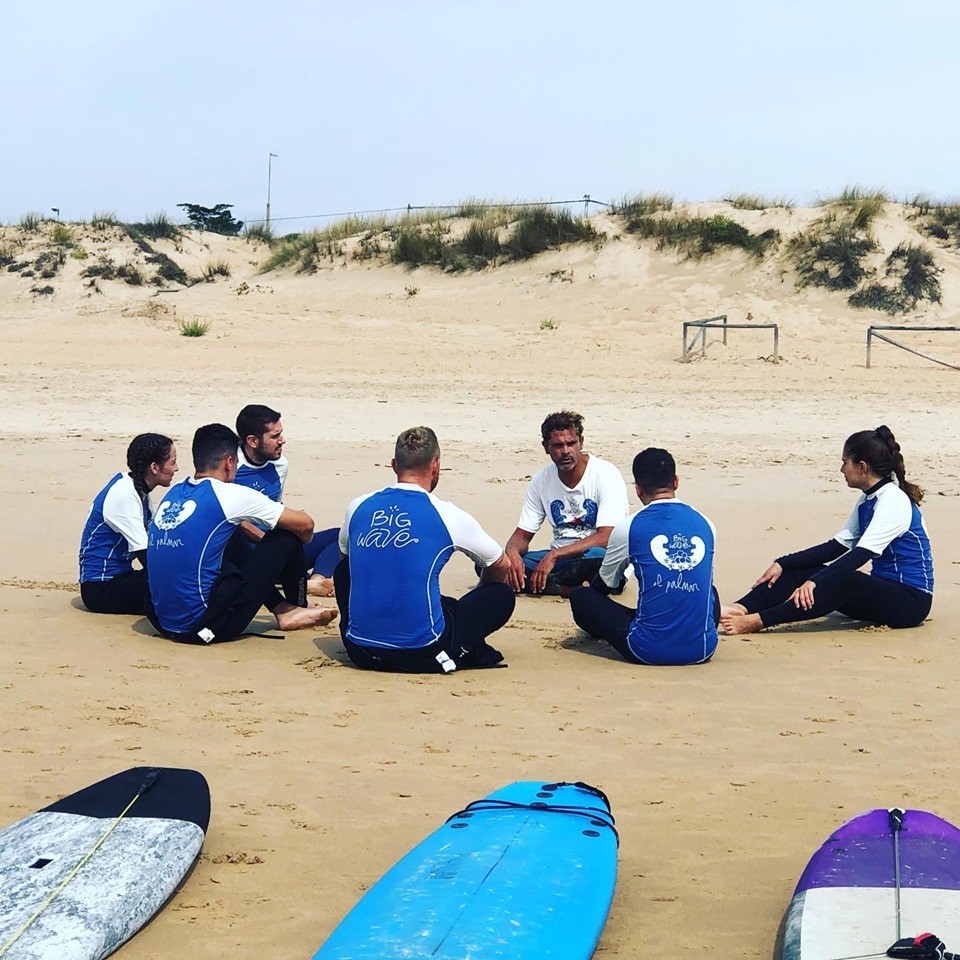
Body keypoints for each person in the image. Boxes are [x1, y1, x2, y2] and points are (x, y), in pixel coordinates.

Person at [334, 426, 515, 673]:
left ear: (395, 465)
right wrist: (482, 593)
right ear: (435, 466)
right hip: (423, 652)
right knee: (501, 595)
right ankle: (458, 648)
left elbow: (346, 558)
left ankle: (369, 632)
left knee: (346, 569)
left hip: (360, 651)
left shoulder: (358, 505)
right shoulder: (447, 514)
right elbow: (500, 564)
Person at [720, 425, 934, 635]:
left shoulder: (893, 500)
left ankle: (759, 621)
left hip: (911, 603)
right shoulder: (867, 500)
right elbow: (835, 547)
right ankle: (738, 609)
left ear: (862, 466)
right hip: (881, 594)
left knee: (844, 579)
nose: (841, 470)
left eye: (844, 463)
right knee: (796, 571)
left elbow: (860, 555)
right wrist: (783, 563)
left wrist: (815, 581)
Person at [145, 423, 336, 644]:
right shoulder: (229, 494)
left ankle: (281, 606)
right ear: (229, 462)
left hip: (160, 621)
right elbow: (305, 525)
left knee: (231, 533)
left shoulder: (176, 491)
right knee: (286, 536)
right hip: (205, 630)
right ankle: (296, 607)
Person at [570, 448, 719, 665]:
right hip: (703, 649)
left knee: (581, 597)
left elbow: (604, 585)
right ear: (676, 481)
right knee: (709, 590)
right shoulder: (706, 524)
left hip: (647, 649)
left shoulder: (628, 527)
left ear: (638, 489)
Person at [503, 411, 628, 596]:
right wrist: (512, 554)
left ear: (581, 442)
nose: (566, 451)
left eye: (571, 443)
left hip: (595, 556)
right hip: (561, 560)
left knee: (598, 559)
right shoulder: (541, 480)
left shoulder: (606, 474)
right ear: (546, 447)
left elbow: (607, 537)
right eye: (558, 446)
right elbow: (521, 536)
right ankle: (565, 588)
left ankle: (547, 585)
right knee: (493, 565)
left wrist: (554, 555)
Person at [233, 404, 340, 598]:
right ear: (253, 441)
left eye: (280, 434)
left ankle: (316, 580)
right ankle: (300, 581)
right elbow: (235, 521)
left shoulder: (280, 465)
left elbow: (277, 508)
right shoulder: (232, 467)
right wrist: (274, 546)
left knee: (337, 537)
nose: (282, 441)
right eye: (275, 436)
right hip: (245, 549)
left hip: (275, 543)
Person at [79, 433, 179, 614]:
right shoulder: (124, 494)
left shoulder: (139, 490)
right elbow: (145, 553)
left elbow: (155, 540)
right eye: (172, 462)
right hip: (101, 587)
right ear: (155, 467)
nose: (176, 468)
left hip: (121, 577)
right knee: (179, 589)